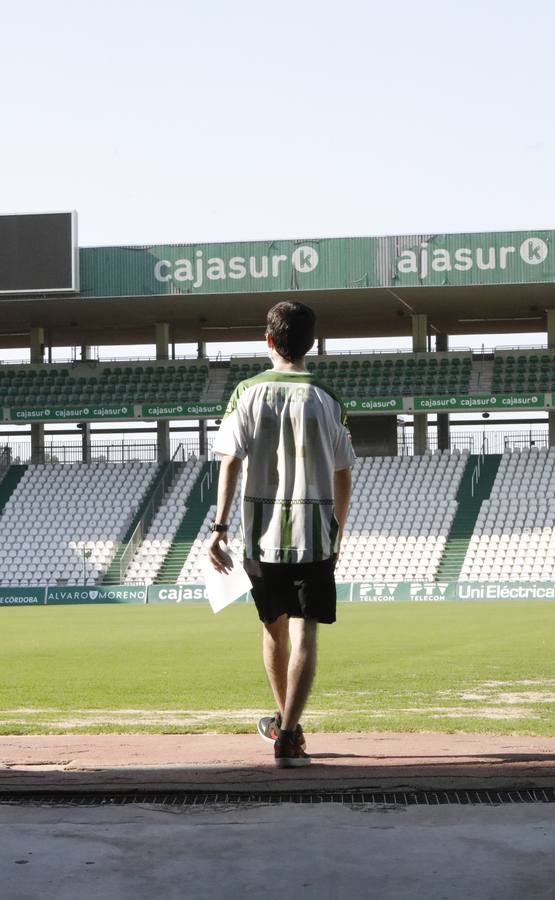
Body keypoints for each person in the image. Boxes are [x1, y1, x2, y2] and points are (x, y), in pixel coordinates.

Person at [208, 300, 355, 768]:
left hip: (262, 533)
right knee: (305, 630)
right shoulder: (328, 399)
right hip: (315, 532)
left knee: (273, 628)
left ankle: (285, 725)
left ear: (268, 341)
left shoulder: (247, 393)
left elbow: (230, 459)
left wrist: (219, 526)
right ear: (310, 344)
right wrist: (338, 530)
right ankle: (288, 732)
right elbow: (344, 472)